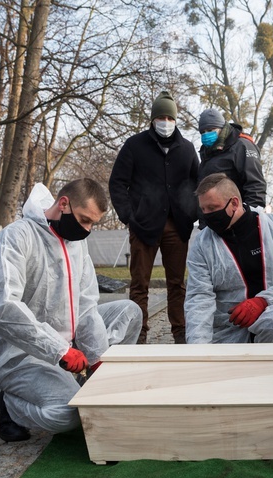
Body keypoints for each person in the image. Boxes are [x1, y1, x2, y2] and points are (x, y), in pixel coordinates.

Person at [0, 180, 142, 442]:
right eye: (84, 220)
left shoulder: (75, 243)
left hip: (66, 342)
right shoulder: (16, 237)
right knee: (68, 414)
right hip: (20, 353)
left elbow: (86, 304)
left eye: (92, 224)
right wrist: (59, 350)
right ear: (64, 204)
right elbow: (1, 306)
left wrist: (98, 357)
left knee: (130, 311)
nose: (87, 230)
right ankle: (11, 405)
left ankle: (81, 381)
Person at [109, 91, 199, 344]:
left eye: (169, 117)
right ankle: (138, 335)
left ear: (176, 120)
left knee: (177, 284)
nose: (165, 121)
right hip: (144, 226)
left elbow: (198, 183)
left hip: (177, 226)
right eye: (160, 116)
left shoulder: (187, 148)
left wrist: (190, 213)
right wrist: (128, 216)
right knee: (139, 284)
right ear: (152, 119)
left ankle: (180, 334)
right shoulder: (134, 145)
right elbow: (117, 183)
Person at [185, 173, 273, 344]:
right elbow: (199, 298)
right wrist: (198, 349)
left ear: (234, 203)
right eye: (203, 209)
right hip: (227, 329)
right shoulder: (202, 245)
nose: (207, 215)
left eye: (213, 208)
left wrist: (262, 301)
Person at [197, 109, 266, 208]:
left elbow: (255, 185)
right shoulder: (206, 153)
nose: (206, 134)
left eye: (210, 130)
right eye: (202, 132)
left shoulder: (242, 146)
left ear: (221, 128)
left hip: (236, 214)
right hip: (212, 216)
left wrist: (252, 215)